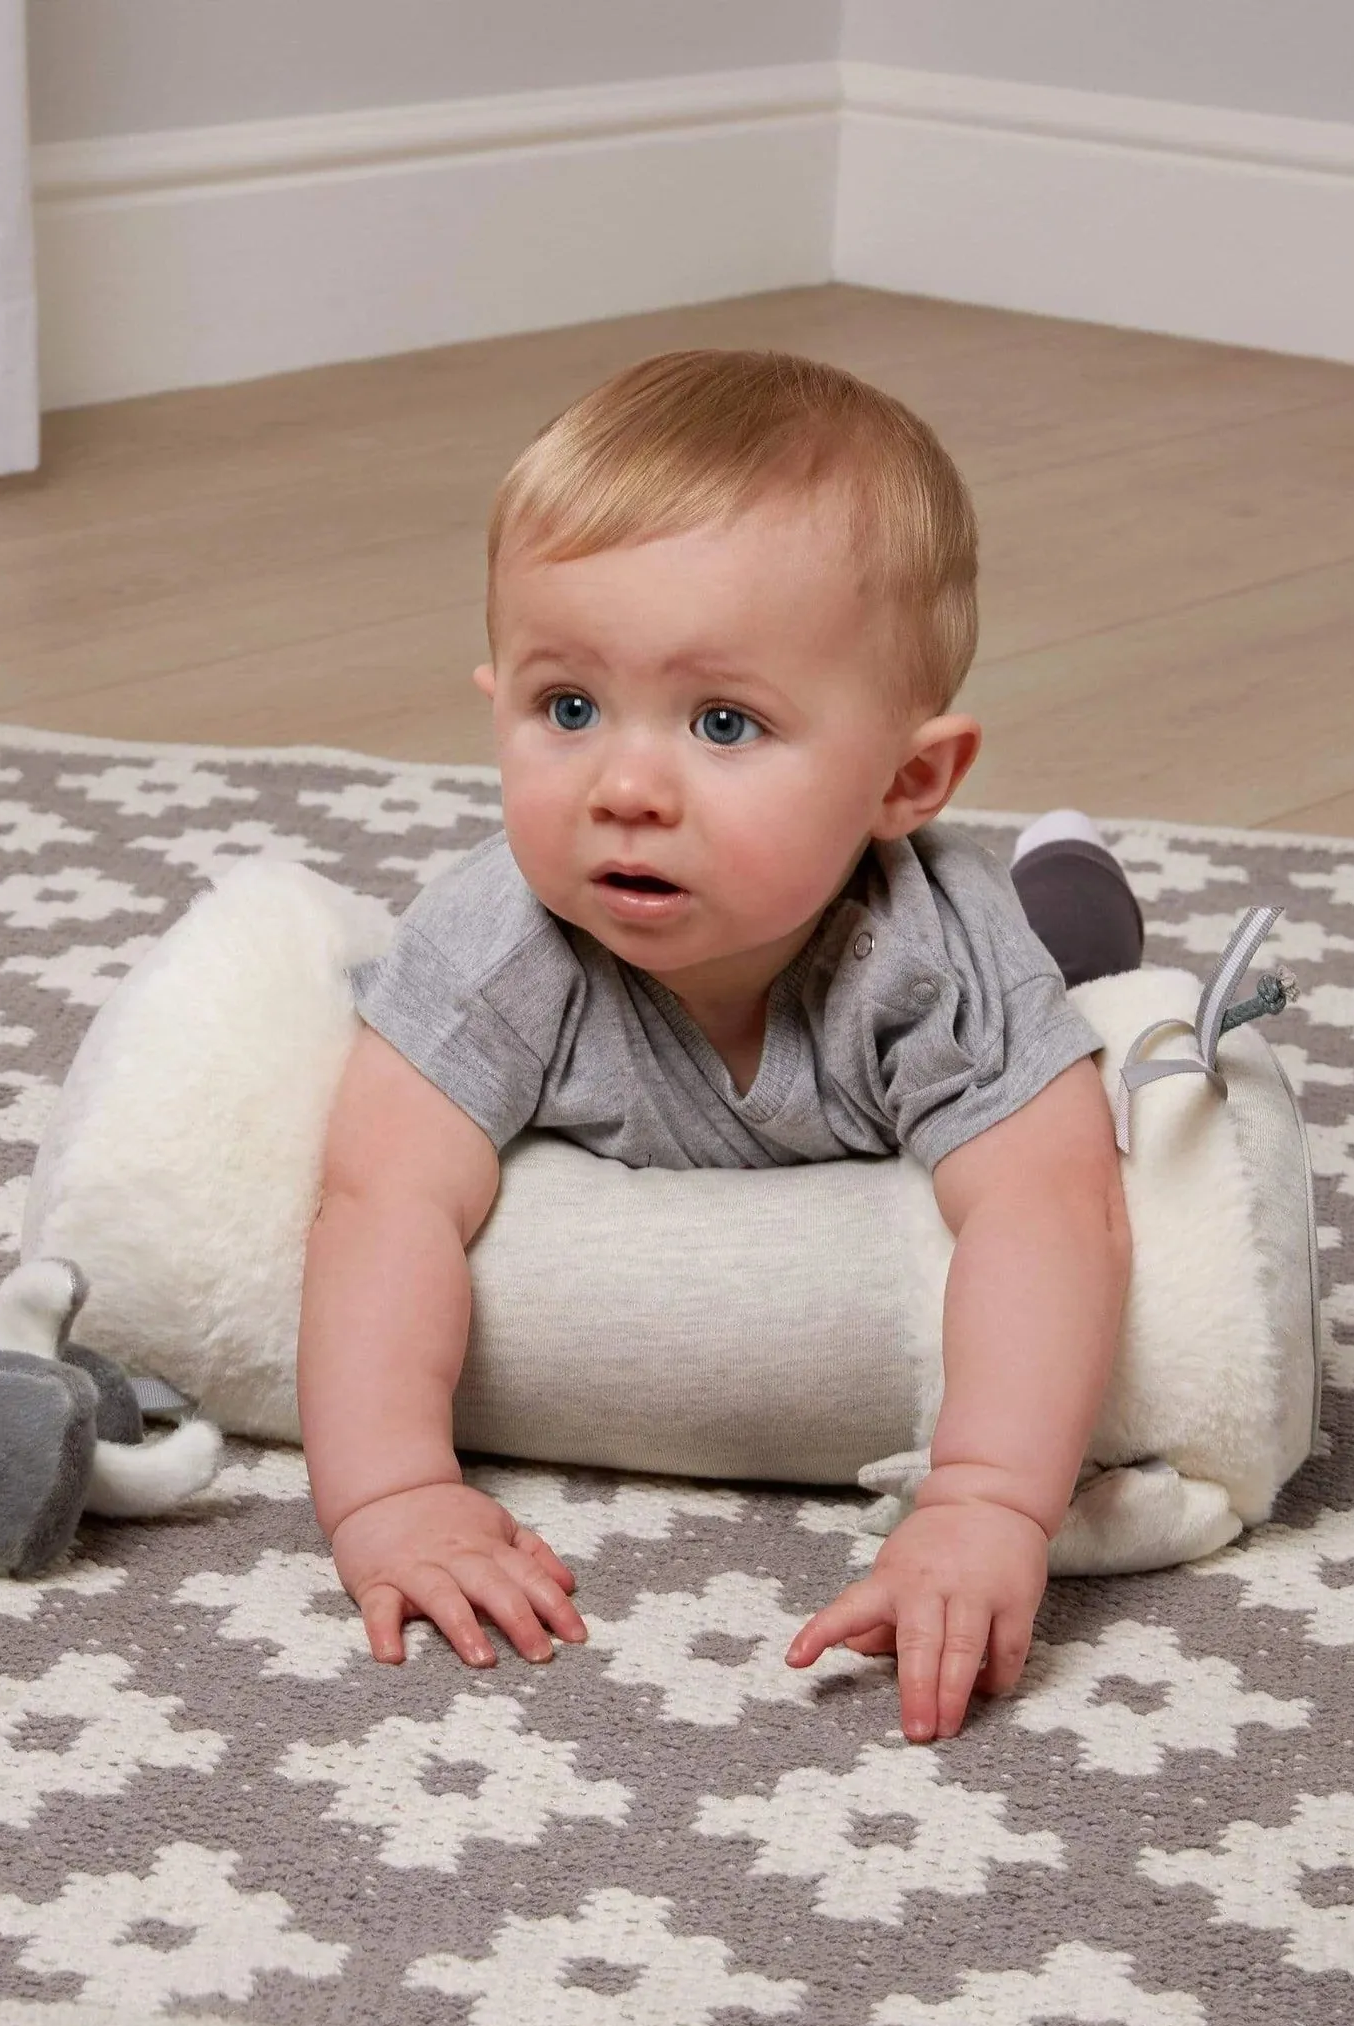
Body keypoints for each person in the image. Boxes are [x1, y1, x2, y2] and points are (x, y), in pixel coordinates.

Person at [296, 350, 1144, 1743]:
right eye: (565, 709)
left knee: (1084, 976)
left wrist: (986, 1505)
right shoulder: (498, 941)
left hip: (991, 940)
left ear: (906, 780)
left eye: (725, 723)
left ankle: (1076, 892)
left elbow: (1054, 1208)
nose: (626, 789)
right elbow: (378, 1197)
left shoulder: (929, 959)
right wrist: (389, 1492)